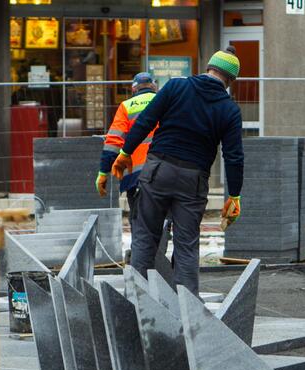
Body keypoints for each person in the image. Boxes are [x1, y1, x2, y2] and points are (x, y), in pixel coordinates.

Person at [114, 46, 244, 295]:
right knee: (186, 246)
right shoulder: (229, 110)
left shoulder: (176, 87)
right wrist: (234, 195)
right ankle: (188, 313)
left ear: (208, 69)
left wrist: (125, 153)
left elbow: (146, 121)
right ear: (229, 81)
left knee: (145, 237)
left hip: (158, 170)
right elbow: (234, 156)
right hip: (193, 180)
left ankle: (135, 303)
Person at [95, 72, 158, 223]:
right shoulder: (165, 101)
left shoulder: (126, 107)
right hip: (165, 169)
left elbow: (113, 143)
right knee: (163, 216)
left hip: (136, 175)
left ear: (134, 89)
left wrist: (103, 172)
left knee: (139, 219)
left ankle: (140, 245)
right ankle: (163, 236)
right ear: (154, 86)